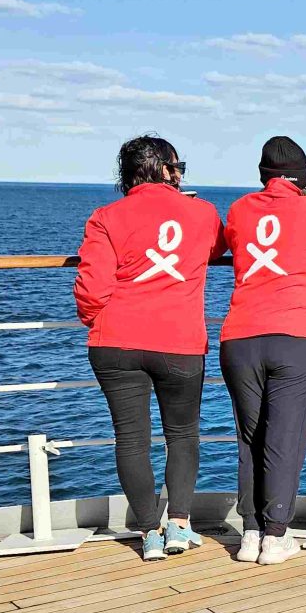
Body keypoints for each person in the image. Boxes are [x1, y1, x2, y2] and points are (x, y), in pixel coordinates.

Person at [74, 135, 224, 561]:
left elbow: (91, 287)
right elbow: (217, 246)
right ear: (164, 169)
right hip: (178, 343)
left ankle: (147, 532)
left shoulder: (106, 217)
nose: (180, 173)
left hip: (116, 342)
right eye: (177, 167)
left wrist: (100, 319)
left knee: (131, 440)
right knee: (182, 436)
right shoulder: (203, 213)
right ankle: (179, 524)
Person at [219, 137, 306, 565]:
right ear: (304, 178)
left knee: (249, 437)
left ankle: (251, 533)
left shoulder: (240, 210)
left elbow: (231, 242)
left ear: (263, 174)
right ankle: (276, 535)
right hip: (297, 336)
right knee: (284, 439)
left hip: (240, 338)